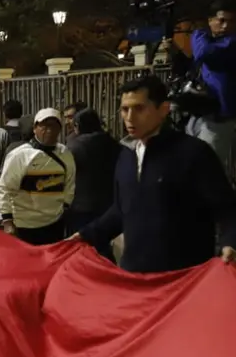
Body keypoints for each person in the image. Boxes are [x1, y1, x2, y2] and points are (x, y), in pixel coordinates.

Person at [71, 76, 236, 272]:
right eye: (125, 109)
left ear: (163, 109)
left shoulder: (193, 153)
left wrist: (230, 243)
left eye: (139, 108)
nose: (130, 117)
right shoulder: (125, 156)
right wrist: (84, 236)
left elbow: (227, 208)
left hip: (184, 279)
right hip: (134, 277)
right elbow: (121, 211)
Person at [0, 108, 76, 245]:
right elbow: (5, 188)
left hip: (54, 224)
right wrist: (7, 221)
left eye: (54, 126)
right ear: (35, 128)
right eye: (44, 126)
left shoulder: (65, 153)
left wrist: (64, 208)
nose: (49, 130)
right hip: (23, 226)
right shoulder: (20, 155)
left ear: (60, 129)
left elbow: (69, 184)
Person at [65, 108, 121, 260]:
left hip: (81, 205)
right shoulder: (114, 143)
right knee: (102, 242)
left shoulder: (75, 146)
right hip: (108, 204)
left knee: (85, 245)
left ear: (79, 126)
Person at [186, 0, 236, 162]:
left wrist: (199, 35)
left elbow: (203, 52)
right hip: (198, 113)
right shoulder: (209, 40)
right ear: (211, 21)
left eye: (230, 21)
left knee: (210, 166)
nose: (225, 26)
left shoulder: (231, 43)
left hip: (219, 117)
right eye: (221, 21)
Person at [0, 100, 28, 187]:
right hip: (27, 176)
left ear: (5, 114)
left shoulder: (1, 132)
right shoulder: (30, 131)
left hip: (6, 178)